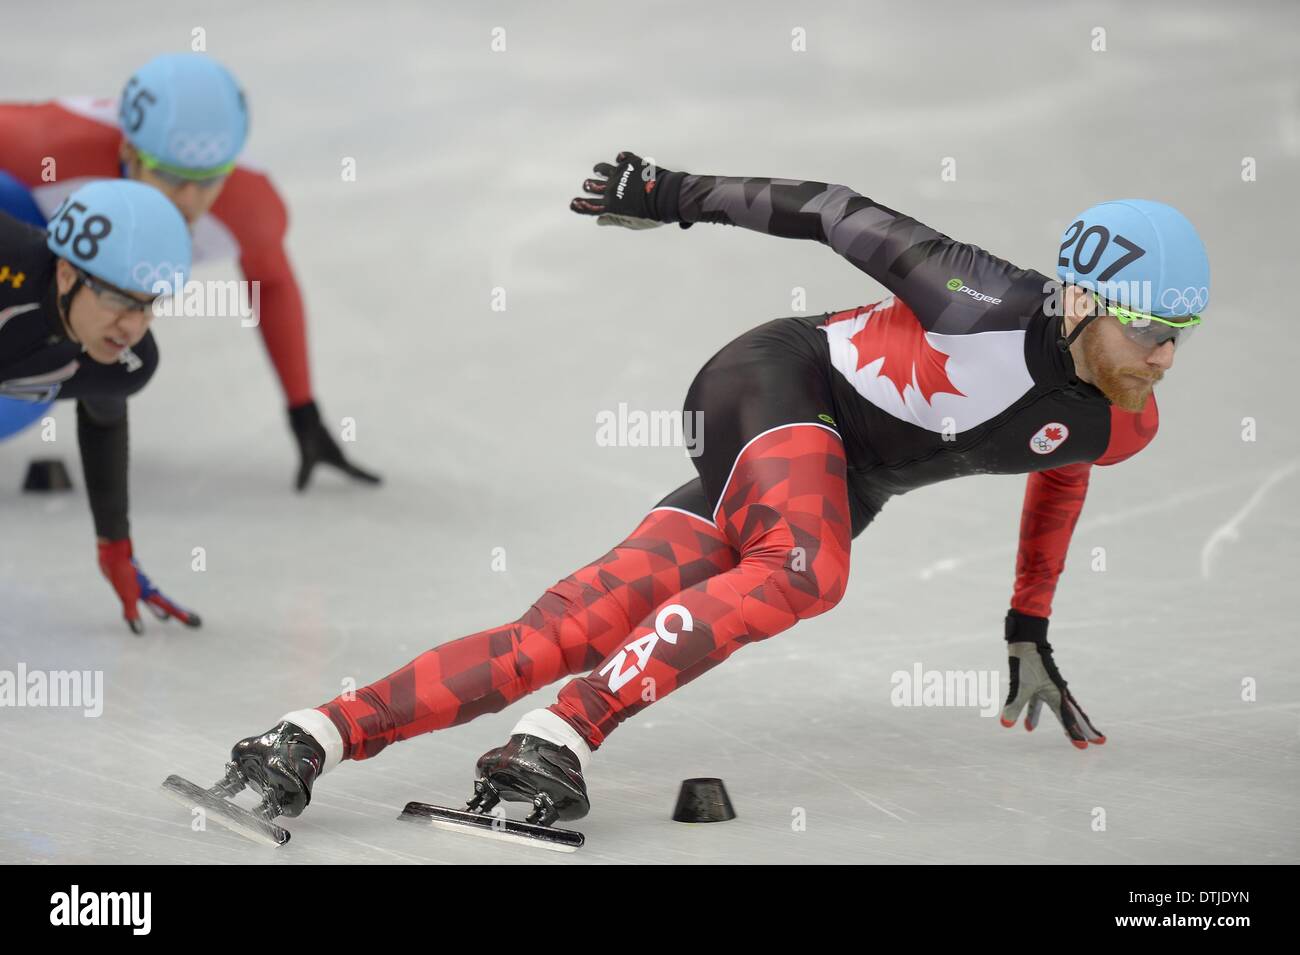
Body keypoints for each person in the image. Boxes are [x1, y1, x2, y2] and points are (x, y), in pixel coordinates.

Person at [220, 152, 1208, 829]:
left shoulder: (1124, 420)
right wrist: (667, 190)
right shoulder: (978, 296)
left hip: (824, 474)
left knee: (563, 629)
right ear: (1081, 300)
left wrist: (1026, 622)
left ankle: (307, 736)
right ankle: (565, 730)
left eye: (1182, 332)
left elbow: (1058, 465)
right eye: (1149, 328)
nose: (1165, 356)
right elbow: (831, 208)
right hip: (773, 384)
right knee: (808, 568)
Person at [0, 51, 380, 490]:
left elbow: (271, 283)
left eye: (209, 179)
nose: (189, 198)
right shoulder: (50, 145)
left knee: (44, 363)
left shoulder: (249, 206)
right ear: (129, 152)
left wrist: (303, 411)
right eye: (171, 175)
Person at [1, 179, 201, 633]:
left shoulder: (126, 363)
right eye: (118, 299)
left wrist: (115, 546)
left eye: (149, 306)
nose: (132, 326)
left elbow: (103, 414)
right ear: (67, 274)